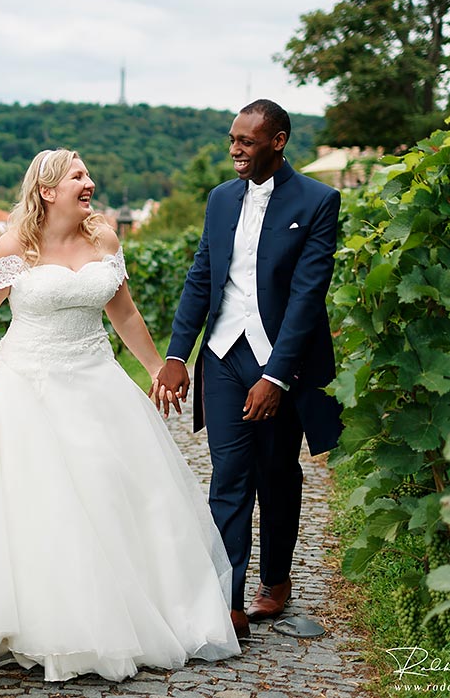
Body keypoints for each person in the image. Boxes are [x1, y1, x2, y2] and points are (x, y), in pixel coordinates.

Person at [0, 149, 241, 684]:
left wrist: (157, 368)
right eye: (77, 176)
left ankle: (126, 611)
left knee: (112, 491)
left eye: (88, 173)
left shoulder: (105, 240)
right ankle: (37, 623)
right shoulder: (14, 248)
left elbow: (124, 312)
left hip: (96, 379)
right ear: (48, 190)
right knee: (42, 504)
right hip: (28, 383)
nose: (89, 182)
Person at [154, 101, 344, 641]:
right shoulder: (219, 200)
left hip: (280, 360)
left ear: (278, 141)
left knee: (278, 473)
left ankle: (277, 581)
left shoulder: (317, 200)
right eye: (231, 139)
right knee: (229, 475)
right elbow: (201, 277)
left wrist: (277, 377)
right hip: (222, 356)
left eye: (247, 141)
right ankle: (227, 599)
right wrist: (176, 354)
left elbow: (308, 297)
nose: (235, 149)